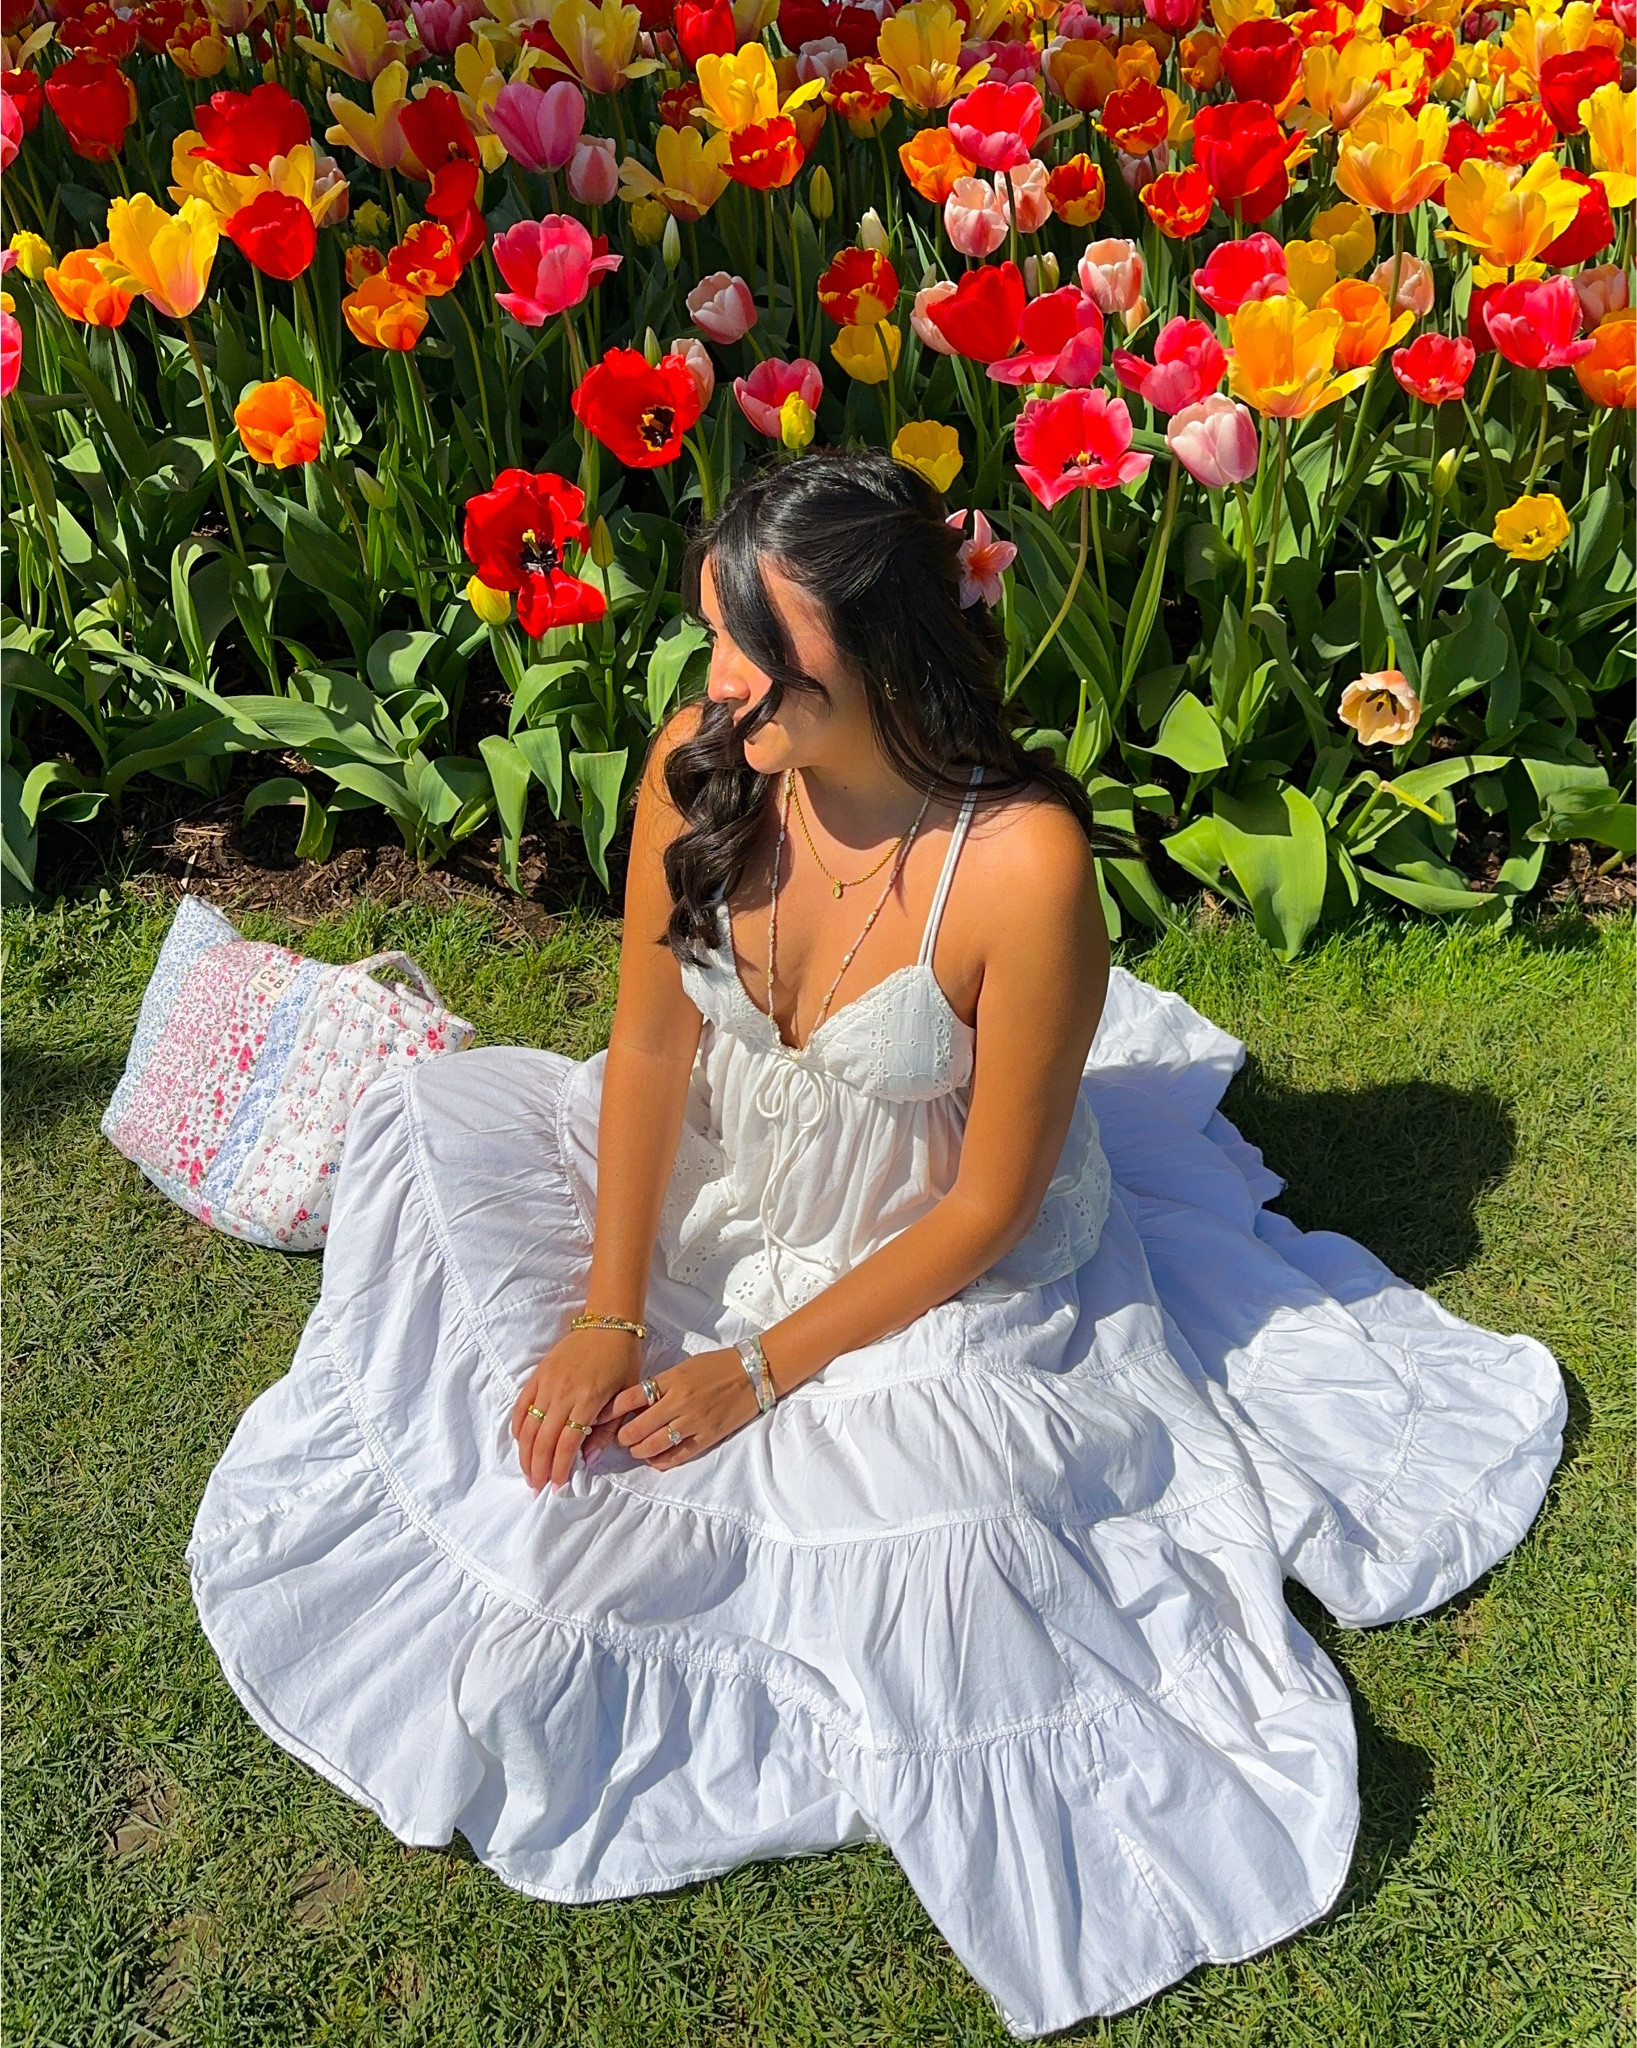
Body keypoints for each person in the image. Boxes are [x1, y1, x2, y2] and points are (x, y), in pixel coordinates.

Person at [189, 451, 1566, 2040]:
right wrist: (610, 1317)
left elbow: (986, 1207)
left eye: (765, 670)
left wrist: (759, 1371)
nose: (722, 696)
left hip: (944, 1261)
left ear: (889, 664)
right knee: (431, 1142)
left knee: (950, 1541)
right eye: (715, 645)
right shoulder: (699, 765)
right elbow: (646, 1048)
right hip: (733, 1173)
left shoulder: (1023, 866)